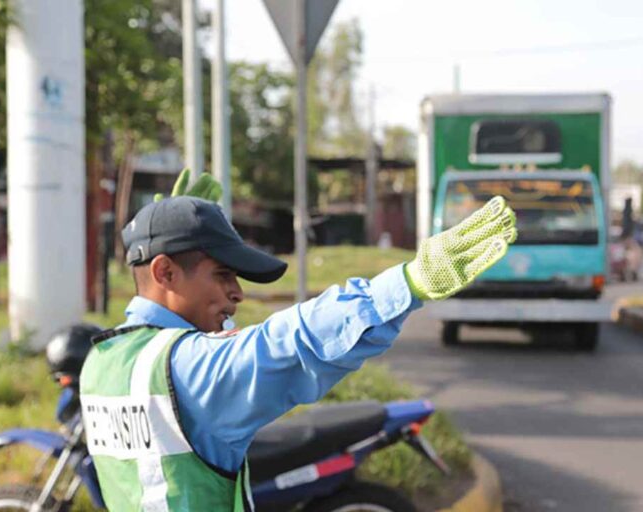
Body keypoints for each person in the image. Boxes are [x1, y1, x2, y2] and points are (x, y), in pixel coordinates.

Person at [79, 172, 517, 511]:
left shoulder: (101, 361)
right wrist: (407, 284)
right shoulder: (190, 370)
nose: (237, 292)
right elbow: (291, 341)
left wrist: (167, 221)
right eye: (223, 274)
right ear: (165, 273)